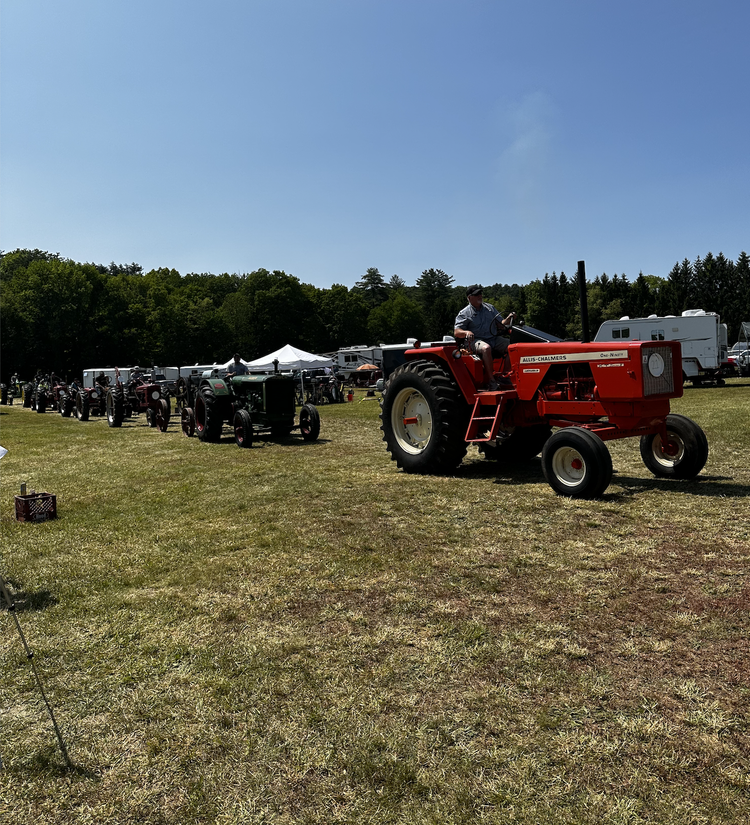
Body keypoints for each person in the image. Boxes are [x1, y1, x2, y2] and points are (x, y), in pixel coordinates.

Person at [454, 285, 516, 391]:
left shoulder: (490, 308)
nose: (480, 296)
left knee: (513, 346)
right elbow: (457, 332)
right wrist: (466, 332)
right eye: (476, 295)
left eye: (480, 294)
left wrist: (509, 318)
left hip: (493, 338)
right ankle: (491, 381)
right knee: (486, 348)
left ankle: (504, 377)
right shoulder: (464, 313)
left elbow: (501, 324)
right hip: (475, 341)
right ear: (469, 298)